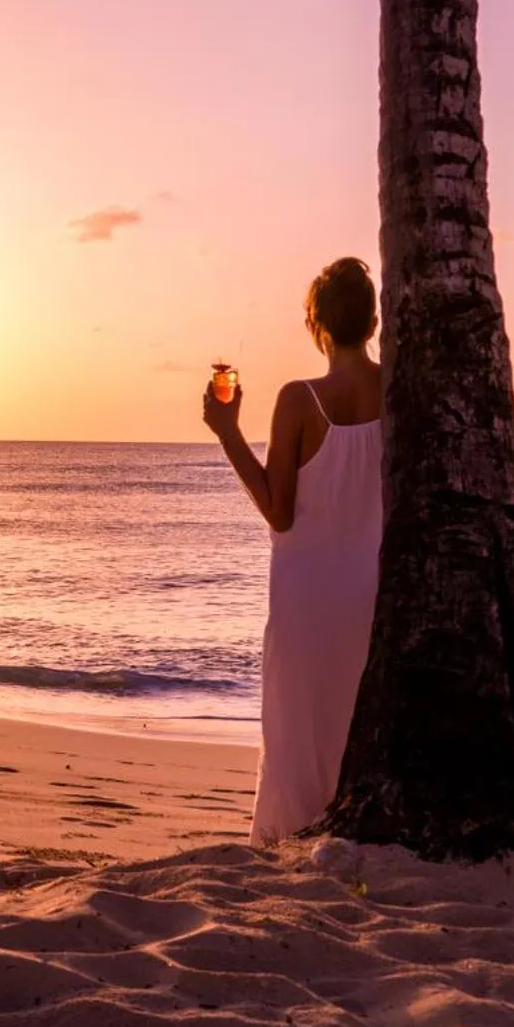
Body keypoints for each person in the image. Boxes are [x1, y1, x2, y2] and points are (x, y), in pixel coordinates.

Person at [203, 257, 383, 845]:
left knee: (300, 732)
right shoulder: (399, 391)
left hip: (307, 597)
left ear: (317, 326)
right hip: (375, 592)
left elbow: (279, 511)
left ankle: (293, 839)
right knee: (358, 720)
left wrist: (229, 432)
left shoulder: (299, 400)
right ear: (374, 319)